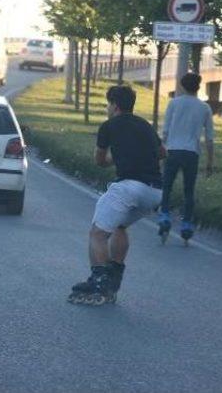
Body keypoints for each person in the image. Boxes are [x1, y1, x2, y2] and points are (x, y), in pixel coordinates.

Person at [68, 85, 165, 306]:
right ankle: (115, 274)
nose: (107, 108)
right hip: (154, 192)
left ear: (115, 105)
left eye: (107, 104)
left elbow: (100, 161)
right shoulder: (146, 125)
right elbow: (163, 153)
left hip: (129, 187)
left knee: (98, 234)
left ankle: (100, 281)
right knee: (119, 226)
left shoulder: (109, 126)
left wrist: (117, 158)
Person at [158, 73, 214, 242]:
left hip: (173, 151)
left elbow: (165, 131)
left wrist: (160, 154)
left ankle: (165, 216)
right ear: (198, 87)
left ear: (182, 86)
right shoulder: (205, 108)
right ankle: (187, 224)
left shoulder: (173, 104)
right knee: (188, 190)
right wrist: (210, 162)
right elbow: (209, 138)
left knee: (166, 186)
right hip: (191, 153)